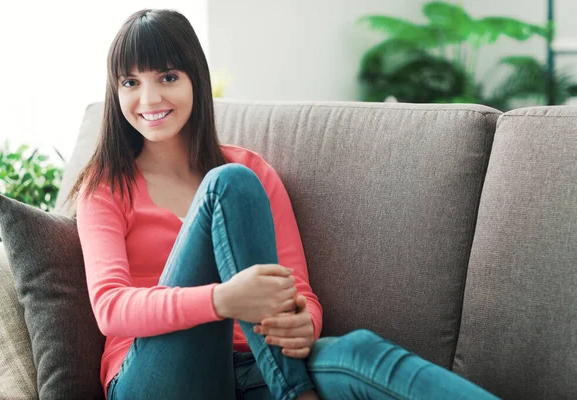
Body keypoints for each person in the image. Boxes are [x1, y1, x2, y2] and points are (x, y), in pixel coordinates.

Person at [64, 8, 500, 400]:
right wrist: (223, 300)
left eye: (167, 77)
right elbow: (111, 309)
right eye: (130, 82)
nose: (150, 99)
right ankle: (296, 392)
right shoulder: (106, 187)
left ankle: (290, 385)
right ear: (115, 93)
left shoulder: (253, 171)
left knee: (360, 353)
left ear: (195, 77)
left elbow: (299, 293)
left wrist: (304, 324)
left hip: (254, 371)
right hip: (156, 377)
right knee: (227, 183)